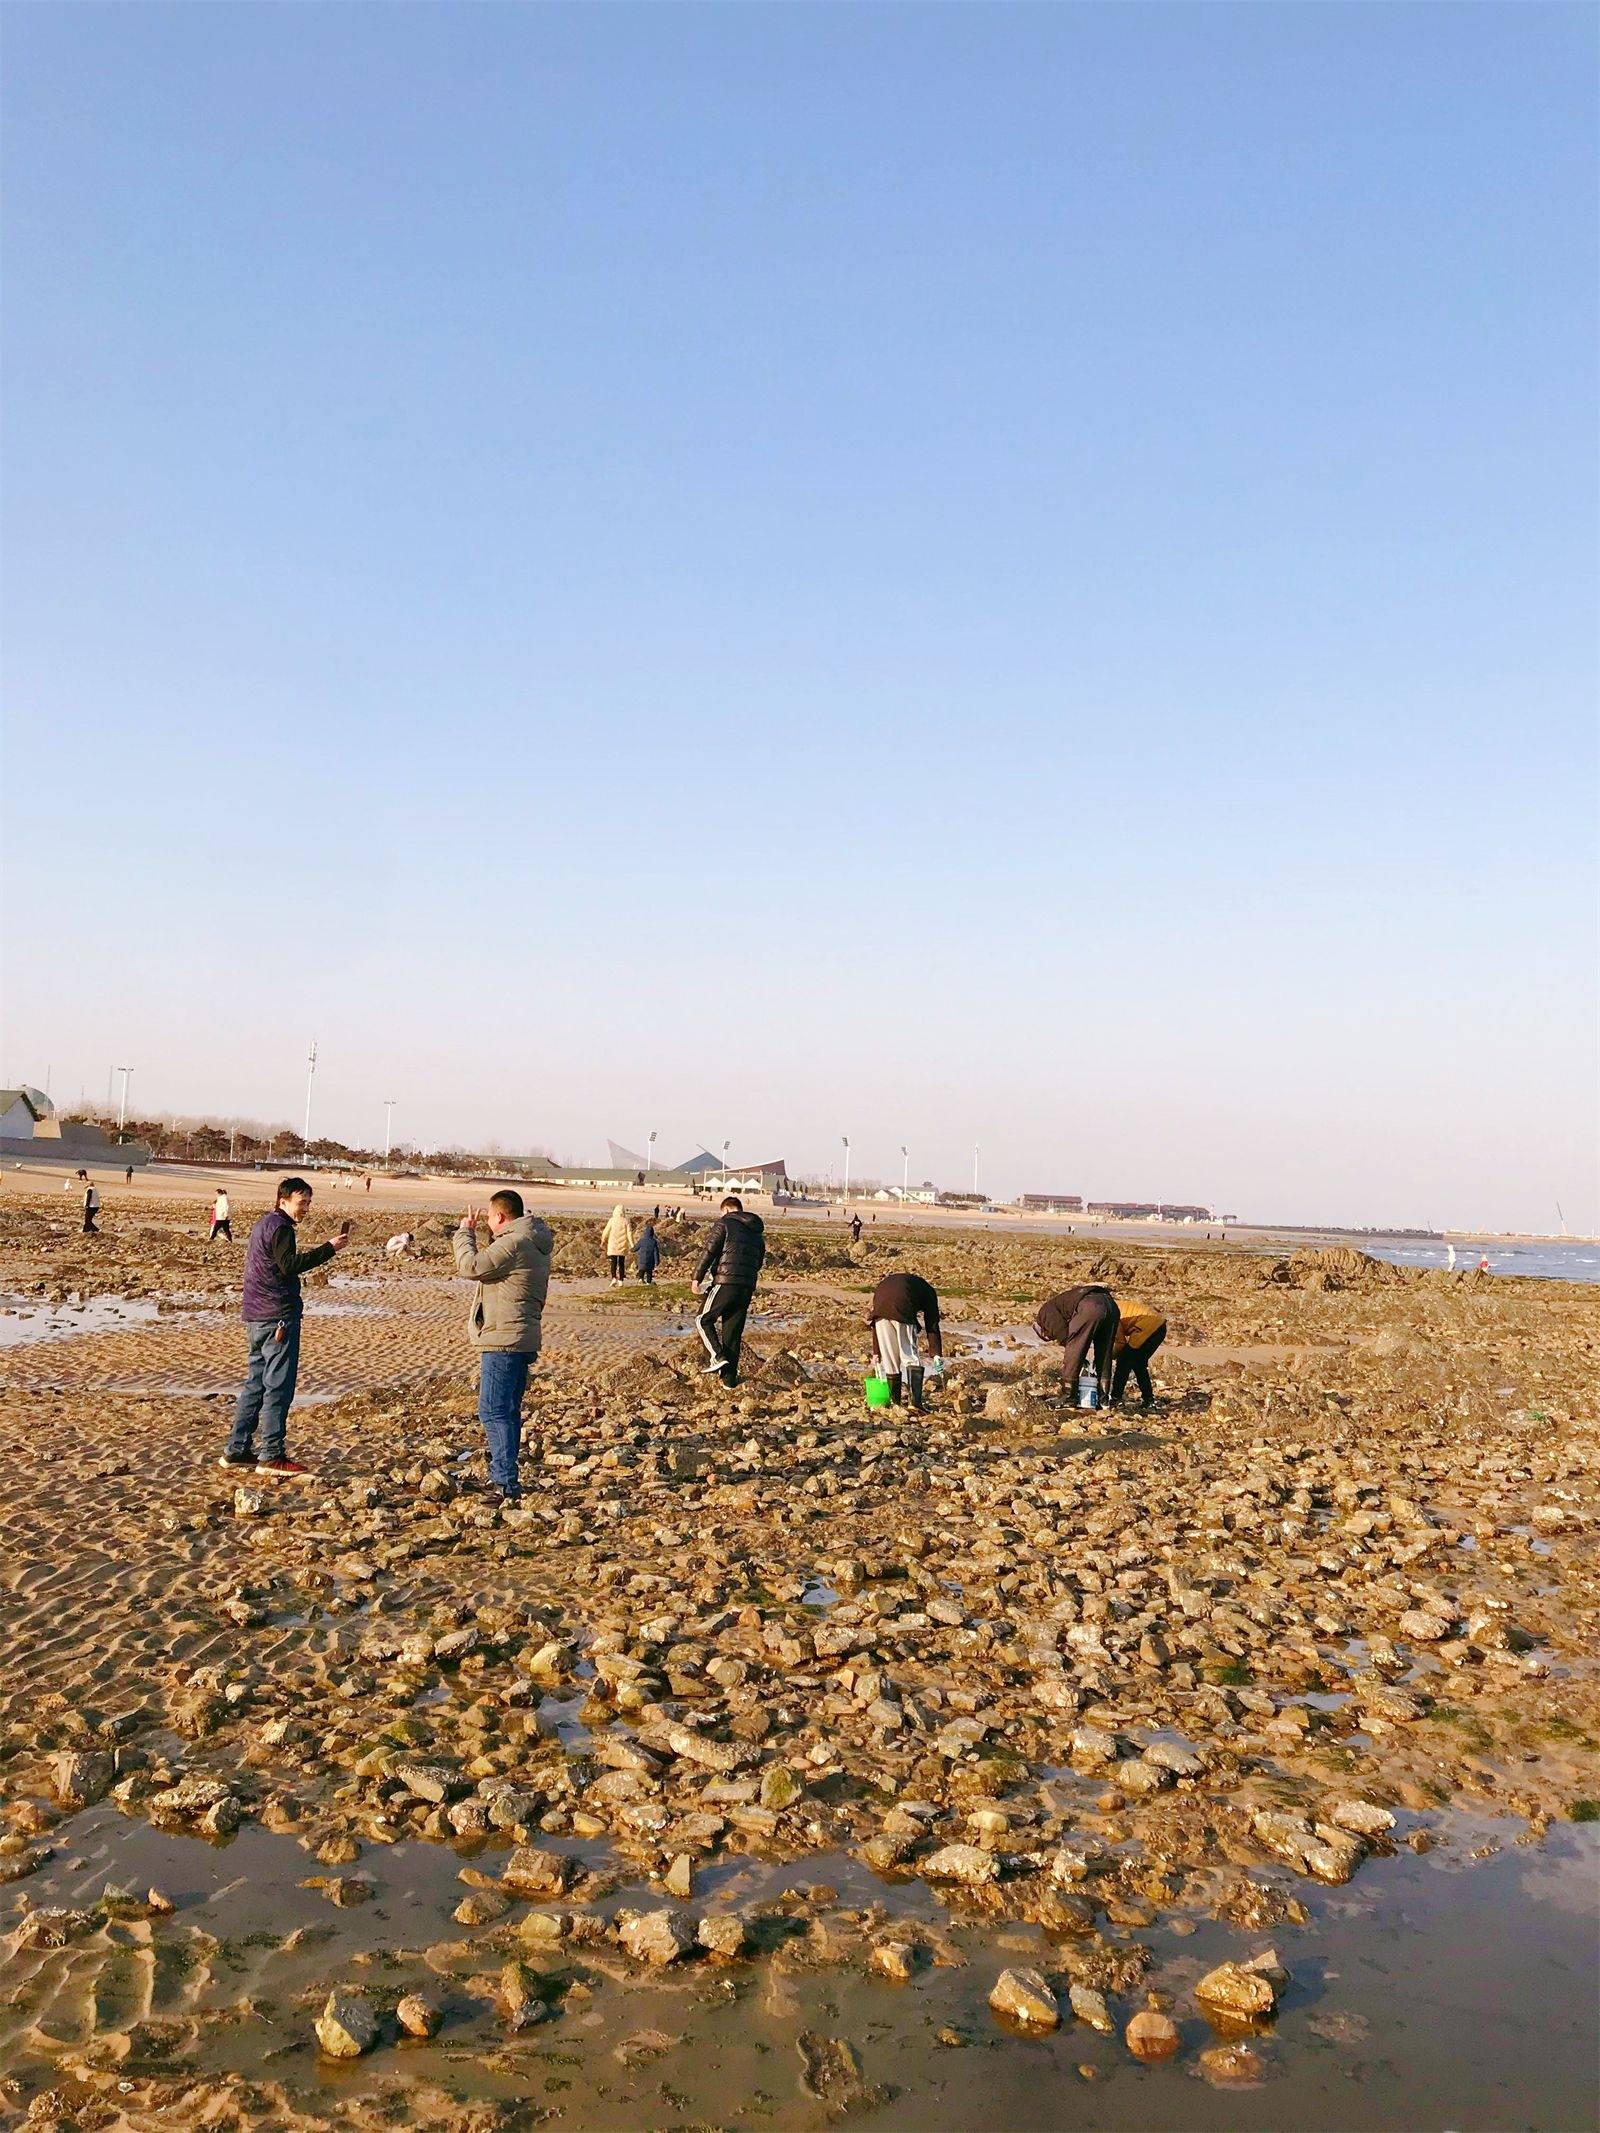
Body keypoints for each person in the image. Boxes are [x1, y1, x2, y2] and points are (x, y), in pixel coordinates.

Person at [221, 1177, 350, 1476]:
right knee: (277, 1386)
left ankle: (237, 1450)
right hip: (276, 1315)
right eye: (301, 1202)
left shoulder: (264, 1224)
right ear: (283, 1200)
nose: (305, 1208)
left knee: (255, 1384)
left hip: (256, 1315)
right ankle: (271, 1454)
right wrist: (328, 1248)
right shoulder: (279, 1228)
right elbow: (289, 1265)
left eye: (308, 1203)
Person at [453, 1189, 553, 1505]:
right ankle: (505, 1480)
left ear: (499, 1216)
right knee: (506, 1412)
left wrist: (465, 1232)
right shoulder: (533, 1241)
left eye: (491, 1219)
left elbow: (470, 1267)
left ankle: (504, 1483)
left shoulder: (514, 1242)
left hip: (504, 1340)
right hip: (518, 1337)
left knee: (493, 1410)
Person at [694, 1195, 766, 1386]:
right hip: (747, 1286)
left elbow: (709, 1251)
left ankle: (716, 1356)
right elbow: (758, 1261)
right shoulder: (756, 1231)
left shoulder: (724, 1223)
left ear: (726, 1210)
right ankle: (729, 1381)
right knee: (732, 1334)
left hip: (726, 1281)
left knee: (702, 1319)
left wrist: (697, 1278)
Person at [867, 1269, 943, 1411]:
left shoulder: (894, 1283)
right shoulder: (929, 1292)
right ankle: (915, 1404)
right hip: (903, 1304)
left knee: (890, 1359)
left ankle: (895, 1403)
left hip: (881, 1302)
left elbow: (877, 1317)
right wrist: (937, 1354)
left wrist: (876, 1352)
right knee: (909, 1354)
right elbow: (932, 1324)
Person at [1033, 1283, 1120, 1403]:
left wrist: (1078, 1357)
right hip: (1111, 1306)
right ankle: (1103, 1399)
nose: (1051, 1338)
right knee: (1105, 1353)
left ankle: (1069, 1397)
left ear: (1042, 1329)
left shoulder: (1045, 1313)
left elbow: (1065, 1337)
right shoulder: (1059, 1304)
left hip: (1090, 1306)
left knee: (1073, 1351)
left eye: (1048, 1337)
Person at [1108, 1297, 1167, 1410]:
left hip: (1148, 1326)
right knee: (1138, 1364)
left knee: (1123, 1361)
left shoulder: (1110, 1313)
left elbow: (1120, 1343)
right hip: (1159, 1327)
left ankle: (1116, 1398)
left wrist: (1109, 1357)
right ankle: (1148, 1400)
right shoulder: (1113, 1305)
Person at [602, 1204, 632, 1284]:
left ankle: (614, 1278)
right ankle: (621, 1280)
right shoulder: (626, 1221)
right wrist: (632, 1244)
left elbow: (606, 1231)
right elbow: (629, 1233)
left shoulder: (612, 1220)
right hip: (622, 1245)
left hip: (613, 1244)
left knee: (613, 1262)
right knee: (621, 1263)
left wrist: (603, 1239)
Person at [634, 1219, 661, 1284]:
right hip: (650, 1260)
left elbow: (636, 1248)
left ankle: (640, 1279)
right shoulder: (654, 1241)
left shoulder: (642, 1240)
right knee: (649, 1271)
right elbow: (656, 1252)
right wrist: (657, 1261)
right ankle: (648, 1282)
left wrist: (632, 1249)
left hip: (642, 1260)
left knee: (641, 1269)